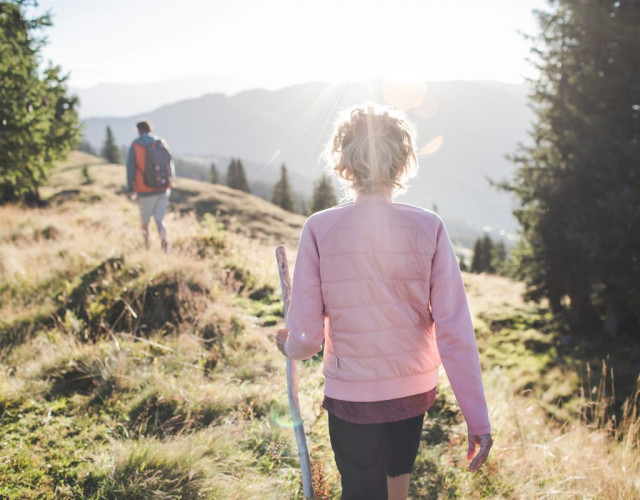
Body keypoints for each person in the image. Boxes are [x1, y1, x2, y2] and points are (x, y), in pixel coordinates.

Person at [275, 103, 492, 500]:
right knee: (398, 481)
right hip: (413, 391)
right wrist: (476, 417)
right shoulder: (430, 227)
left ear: (343, 162)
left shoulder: (320, 228)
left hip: (353, 396)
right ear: (403, 161)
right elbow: (455, 332)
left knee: (360, 491)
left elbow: (305, 340)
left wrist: (287, 344)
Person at [126, 120, 174, 252]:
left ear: (138, 130)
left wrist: (130, 188)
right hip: (163, 188)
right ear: (150, 129)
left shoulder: (136, 145)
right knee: (160, 220)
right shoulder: (160, 142)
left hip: (145, 190)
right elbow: (169, 162)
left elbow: (130, 168)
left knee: (145, 222)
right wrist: (169, 181)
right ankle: (165, 247)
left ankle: (146, 248)